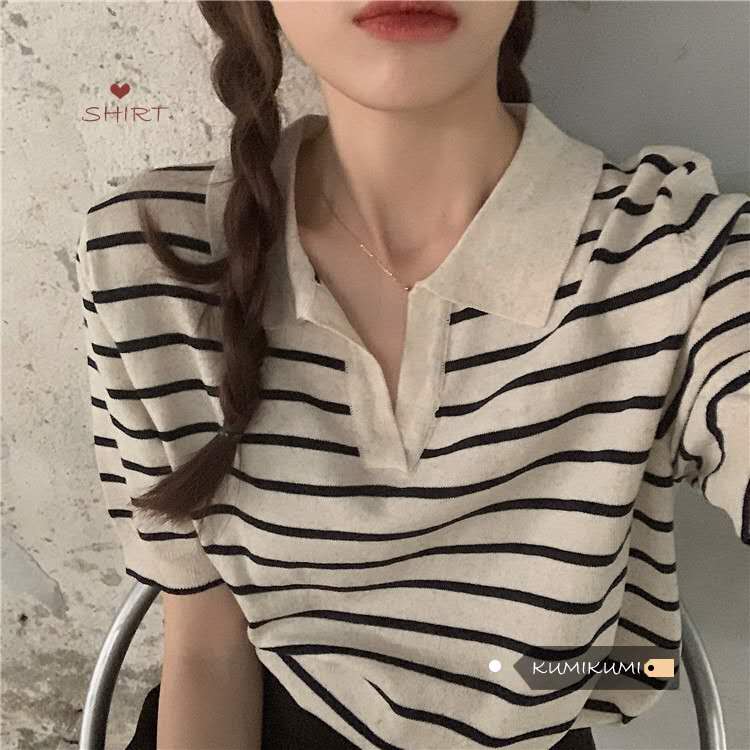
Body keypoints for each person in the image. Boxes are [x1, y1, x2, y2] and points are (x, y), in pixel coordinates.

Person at [74, 1, 749, 748]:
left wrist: (559, 677)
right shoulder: (153, 256)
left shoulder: (680, 258)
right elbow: (205, 647)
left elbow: (641, 668)